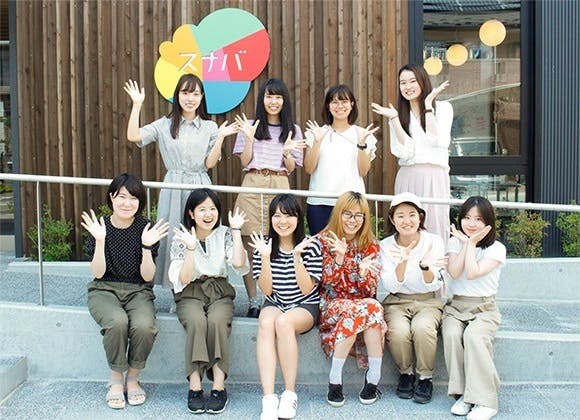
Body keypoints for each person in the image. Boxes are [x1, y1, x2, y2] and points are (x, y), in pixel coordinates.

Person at [124, 75, 239, 288]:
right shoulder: (164, 124)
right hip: (173, 186)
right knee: (172, 235)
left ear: (202, 97)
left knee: (204, 234)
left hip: (200, 185)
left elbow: (210, 163)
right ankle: (175, 288)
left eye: (195, 93)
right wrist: (137, 105)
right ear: (177, 96)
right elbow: (133, 136)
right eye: (185, 93)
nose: (190, 98)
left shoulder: (210, 127)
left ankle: (204, 284)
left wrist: (221, 137)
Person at [82, 173, 169, 409]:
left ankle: (133, 378)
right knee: (117, 322)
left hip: (138, 290)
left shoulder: (146, 228)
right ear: (112, 197)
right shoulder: (100, 226)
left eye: (133, 198)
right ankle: (115, 379)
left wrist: (146, 246)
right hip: (104, 289)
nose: (127, 203)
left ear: (140, 202)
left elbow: (148, 277)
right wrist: (100, 241)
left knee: (144, 326)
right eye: (122, 197)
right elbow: (98, 273)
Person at [167, 188, 249, 414]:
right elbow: (184, 278)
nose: (208, 214)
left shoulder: (224, 233)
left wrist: (235, 231)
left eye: (212, 209)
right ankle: (194, 386)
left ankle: (218, 387)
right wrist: (190, 248)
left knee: (217, 321)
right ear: (191, 213)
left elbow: (239, 264)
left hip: (219, 289)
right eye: (202, 209)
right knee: (196, 321)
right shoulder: (182, 237)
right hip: (189, 291)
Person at [233, 78, 307, 318]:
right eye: (269, 96)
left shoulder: (293, 130)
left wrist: (287, 152)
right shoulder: (250, 125)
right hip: (253, 182)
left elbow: (291, 167)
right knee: (249, 244)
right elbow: (245, 161)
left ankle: (273, 298)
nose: (273, 101)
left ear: (284, 101)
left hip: (279, 182)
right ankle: (253, 300)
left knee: (278, 242)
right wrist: (248, 137)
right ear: (262, 99)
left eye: (278, 97)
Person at [249, 194, 322, 420]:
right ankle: (269, 397)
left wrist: (297, 256)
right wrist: (265, 257)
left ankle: (289, 394)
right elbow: (266, 290)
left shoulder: (311, 245)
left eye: (289, 215)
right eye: (277, 216)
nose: (282, 221)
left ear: (298, 218)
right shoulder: (264, 245)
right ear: (270, 218)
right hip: (276, 300)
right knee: (265, 322)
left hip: (305, 304)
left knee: (283, 323)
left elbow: (307, 288)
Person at [317, 191, 386, 407]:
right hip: (332, 304)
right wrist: (339, 257)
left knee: (372, 306)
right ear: (338, 213)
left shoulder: (371, 245)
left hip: (362, 306)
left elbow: (370, 291)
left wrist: (364, 274)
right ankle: (347, 377)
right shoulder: (323, 240)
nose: (352, 220)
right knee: (367, 310)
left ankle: (361, 378)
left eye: (358, 215)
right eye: (347, 214)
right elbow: (327, 282)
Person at [372, 64, 453, 243]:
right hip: (408, 175)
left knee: (435, 223)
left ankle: (436, 261)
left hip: (435, 176)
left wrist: (428, 106)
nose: (407, 87)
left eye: (412, 81)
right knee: (406, 225)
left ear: (423, 81)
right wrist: (394, 119)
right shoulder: (399, 115)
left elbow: (439, 141)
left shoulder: (443, 108)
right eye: (403, 83)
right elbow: (404, 152)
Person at [379, 192, 446, 404]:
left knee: (423, 328)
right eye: (400, 216)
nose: (406, 221)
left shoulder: (434, 241)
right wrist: (403, 261)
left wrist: (425, 267)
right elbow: (390, 285)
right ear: (392, 220)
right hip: (396, 301)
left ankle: (425, 377)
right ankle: (405, 374)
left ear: (420, 217)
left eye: (412, 215)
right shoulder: (385, 245)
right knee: (398, 331)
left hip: (427, 300)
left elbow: (436, 283)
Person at [442, 196, 506, 420]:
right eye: (467, 218)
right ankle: (464, 396)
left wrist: (469, 244)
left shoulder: (497, 249)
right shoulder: (453, 243)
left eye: (478, 219)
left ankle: (487, 401)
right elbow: (455, 272)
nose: (471, 223)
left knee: (474, 337)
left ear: (488, 222)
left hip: (484, 308)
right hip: (455, 306)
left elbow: (472, 272)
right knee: (451, 335)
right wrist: (463, 244)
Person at [304, 84, 379, 235]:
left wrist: (362, 145)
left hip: (352, 204)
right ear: (328, 106)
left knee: (350, 245)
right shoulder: (317, 133)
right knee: (320, 246)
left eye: (344, 102)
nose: (340, 106)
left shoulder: (362, 134)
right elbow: (309, 168)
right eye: (334, 102)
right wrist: (317, 141)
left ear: (352, 105)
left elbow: (363, 171)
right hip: (320, 202)